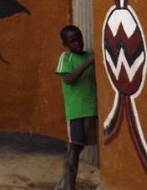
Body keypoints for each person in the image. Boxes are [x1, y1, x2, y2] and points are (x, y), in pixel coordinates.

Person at [55, 25, 97, 190]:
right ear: (65, 44)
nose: (77, 43)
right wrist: (88, 63)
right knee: (73, 148)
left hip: (91, 110)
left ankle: (63, 184)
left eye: (78, 38)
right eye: (72, 41)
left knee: (77, 148)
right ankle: (69, 186)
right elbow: (68, 79)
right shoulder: (66, 57)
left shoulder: (91, 56)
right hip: (76, 111)